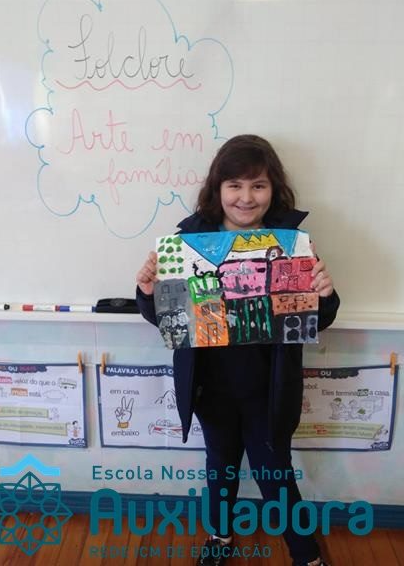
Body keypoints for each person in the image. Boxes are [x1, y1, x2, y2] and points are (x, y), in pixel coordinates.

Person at [136, 135, 340, 566]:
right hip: (211, 387)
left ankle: (305, 554)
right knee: (219, 468)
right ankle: (220, 537)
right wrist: (148, 292)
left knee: (275, 473)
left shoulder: (291, 244)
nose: (246, 198)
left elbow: (314, 319)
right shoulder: (188, 241)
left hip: (269, 387)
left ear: (273, 189)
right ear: (218, 188)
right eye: (235, 185)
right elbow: (168, 320)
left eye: (258, 185)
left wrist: (324, 295)